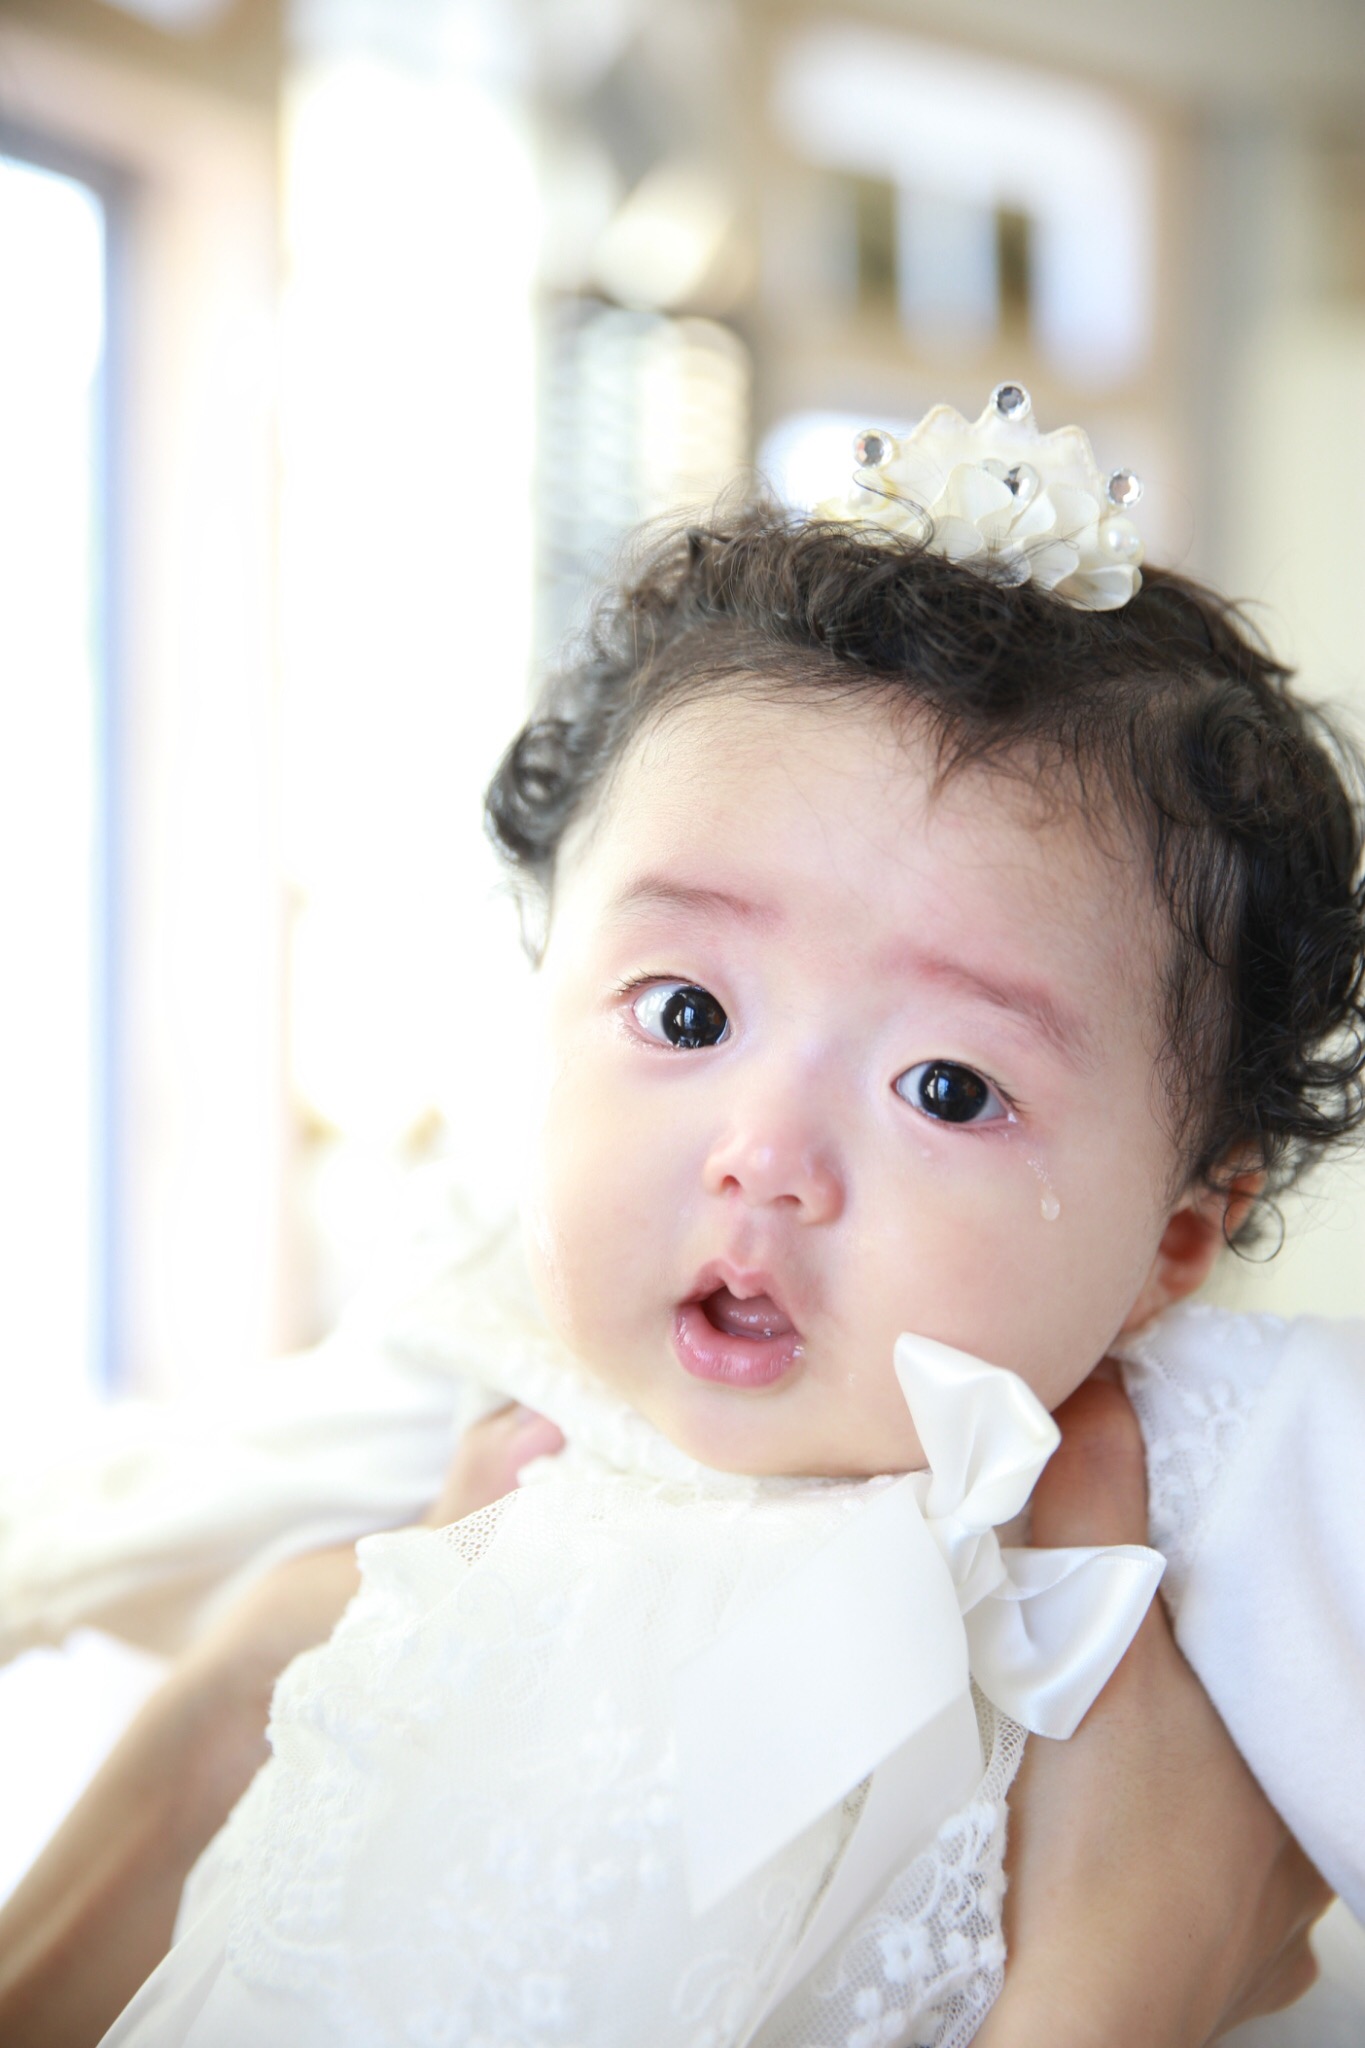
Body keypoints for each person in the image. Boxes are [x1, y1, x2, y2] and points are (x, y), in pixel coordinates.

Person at [2, 387, 1362, 2044]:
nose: (762, 1154)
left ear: (1173, 1242)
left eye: (946, 1087)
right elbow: (184, 1500)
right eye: (688, 1014)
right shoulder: (505, 1354)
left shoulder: (1190, 1481)